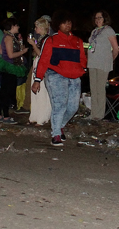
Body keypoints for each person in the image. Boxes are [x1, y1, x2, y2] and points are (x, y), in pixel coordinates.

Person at [32, 10, 86, 146]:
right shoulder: (51, 40)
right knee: (59, 105)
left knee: (73, 107)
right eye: (64, 23)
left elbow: (82, 59)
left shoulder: (78, 41)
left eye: (69, 22)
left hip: (74, 77)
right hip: (55, 76)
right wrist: (37, 80)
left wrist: (82, 70)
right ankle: (56, 134)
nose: (67, 25)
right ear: (58, 24)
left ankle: (60, 125)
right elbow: (43, 61)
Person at [0, 18, 30, 122]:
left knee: (6, 91)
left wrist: (21, 45)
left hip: (12, 66)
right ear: (12, 26)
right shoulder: (8, 37)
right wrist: (23, 52)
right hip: (9, 66)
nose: (18, 27)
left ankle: (1, 114)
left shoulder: (12, 37)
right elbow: (10, 55)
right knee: (5, 91)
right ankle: (3, 114)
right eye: (17, 25)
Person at [87, 11, 119, 120]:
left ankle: (99, 115)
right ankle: (93, 113)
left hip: (102, 64)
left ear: (105, 18)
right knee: (93, 89)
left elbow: (116, 49)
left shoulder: (108, 30)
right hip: (92, 63)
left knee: (100, 89)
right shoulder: (94, 31)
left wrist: (110, 60)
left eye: (100, 17)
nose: (97, 20)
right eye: (96, 18)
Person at [28, 17, 52, 125]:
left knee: (42, 92)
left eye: (36, 27)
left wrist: (33, 44)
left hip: (42, 65)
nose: (35, 29)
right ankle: (34, 116)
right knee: (35, 92)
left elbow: (42, 56)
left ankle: (42, 118)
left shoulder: (47, 39)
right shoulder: (40, 39)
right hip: (36, 63)